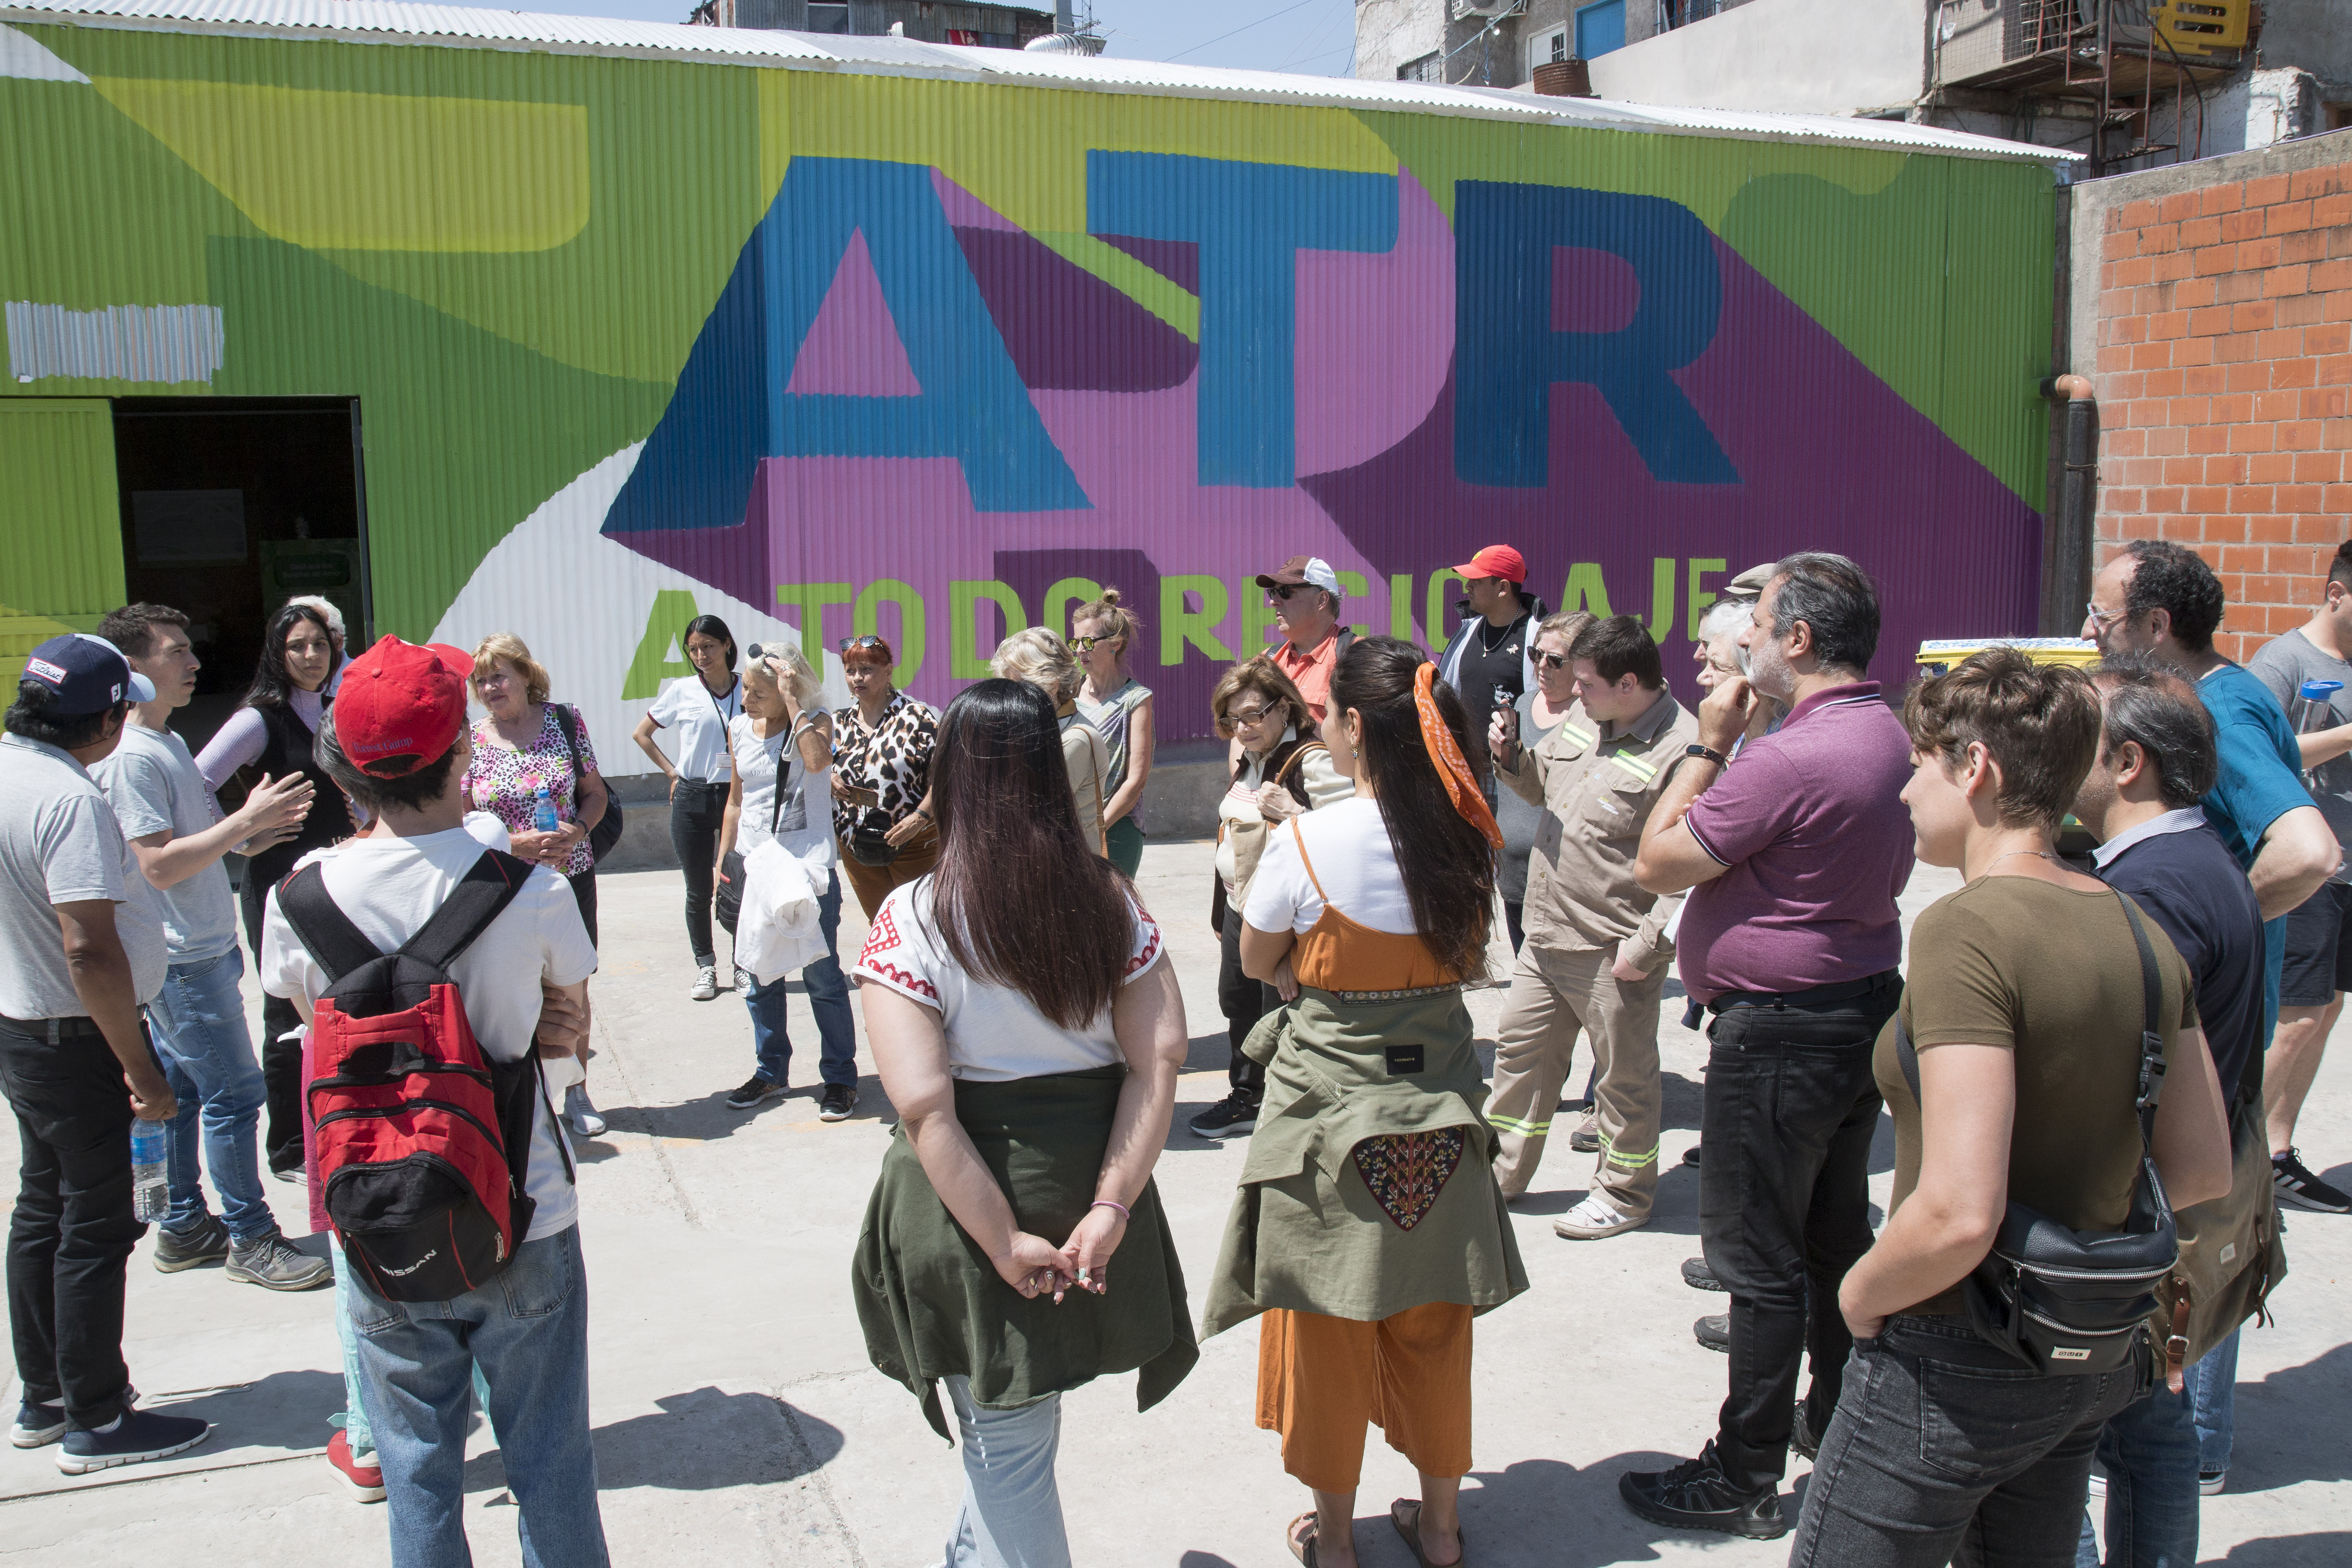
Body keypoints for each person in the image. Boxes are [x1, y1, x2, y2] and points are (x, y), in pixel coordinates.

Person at [1787, 648, 2235, 1568]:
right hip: (2080, 1359)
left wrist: (1858, 1299)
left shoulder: (1967, 929)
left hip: (1950, 1354)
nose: (1906, 790)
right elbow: (2201, 1171)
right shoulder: (2139, 928)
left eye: (1920, 764)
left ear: (1975, 768)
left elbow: (1956, 1212)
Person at [261, 636, 607, 1568]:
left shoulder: (295, 900)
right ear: (462, 750)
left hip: (376, 1216)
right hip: (521, 1208)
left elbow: (319, 1025)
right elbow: (567, 1024)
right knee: (552, 1465)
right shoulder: (528, 887)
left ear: (343, 767)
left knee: (416, 1470)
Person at [849, 678, 1194, 1568]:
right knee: (1008, 1444)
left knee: (1006, 1452)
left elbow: (922, 1105)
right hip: (1087, 1181)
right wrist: (1113, 1207)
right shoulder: (1111, 899)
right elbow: (1160, 1059)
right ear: (1053, 770)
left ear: (951, 777)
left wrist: (1004, 1242)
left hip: (964, 1204)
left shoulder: (912, 916)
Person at [1207, 635, 1529, 1568]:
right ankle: (1438, 1528)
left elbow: (1259, 962)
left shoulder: (1309, 839)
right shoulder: (1466, 835)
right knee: (1435, 1318)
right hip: (1441, 1111)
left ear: (1352, 727)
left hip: (1328, 1117)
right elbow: (1470, 957)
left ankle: (1337, 1542)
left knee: (1328, 1324)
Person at [1624, 553, 1915, 1538]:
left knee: (1757, 1259)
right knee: (1831, 1233)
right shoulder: (1880, 731)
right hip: (1852, 1011)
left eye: (1754, 626)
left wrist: (1706, 748)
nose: (1739, 643)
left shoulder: (1785, 756)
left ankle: (1742, 1473)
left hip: (1782, 1033)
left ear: (1795, 640)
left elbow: (1657, 859)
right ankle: (1832, 1423)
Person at [2083, 540, 2342, 1491]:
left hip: (2213, 1019)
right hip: (2219, 1004)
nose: (2091, 630)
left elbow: (2308, 849)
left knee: (2199, 1213)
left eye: (2104, 616)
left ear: (2157, 626)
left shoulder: (2221, 705)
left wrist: (2211, 915)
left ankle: (2190, 1445)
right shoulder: (2225, 692)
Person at [2068, 658, 2268, 1563]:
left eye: (2078, 739)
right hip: (2170, 1209)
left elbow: (2117, 1081)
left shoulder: (2156, 892)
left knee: (2065, 1446)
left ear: (2128, 764)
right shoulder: (2195, 859)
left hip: (2134, 1218)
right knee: (2151, 1432)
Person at [1, 635, 213, 1473]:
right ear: (110, 716)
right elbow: (89, 950)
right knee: (97, 1224)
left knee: (42, 1209)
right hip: (79, 1036)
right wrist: (140, 1069)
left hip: (24, 1028)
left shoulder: (11, 771)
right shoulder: (70, 800)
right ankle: (97, 1419)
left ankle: (45, 1396)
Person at [91, 604, 328, 1290]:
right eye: (176, 652)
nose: (195, 662)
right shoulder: (136, 758)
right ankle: (252, 1239)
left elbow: (197, 849)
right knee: (235, 1094)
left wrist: (257, 831)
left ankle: (185, 1224)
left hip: (200, 947)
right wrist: (247, 823)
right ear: (131, 669)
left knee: (189, 1094)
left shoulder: (163, 744)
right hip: (180, 959)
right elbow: (158, 865)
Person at [1484, 614, 1698, 1240]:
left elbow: (1693, 870)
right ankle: (1501, 1175)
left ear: (1628, 683)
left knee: (1623, 1083)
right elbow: (1542, 785)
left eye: (1584, 683)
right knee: (1518, 1059)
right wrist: (1509, 756)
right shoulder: (1587, 717)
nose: (1569, 693)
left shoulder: (1683, 750)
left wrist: (1647, 946)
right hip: (1547, 937)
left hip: (1613, 949)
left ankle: (1624, 1194)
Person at [196, 598, 352, 1181]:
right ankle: (288, 1147)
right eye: (298, 647)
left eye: (320, 644)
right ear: (277, 654)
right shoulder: (258, 718)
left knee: (341, 1001)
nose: (311, 656)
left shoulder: (338, 708)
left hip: (337, 881)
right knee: (285, 1011)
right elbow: (195, 781)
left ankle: (337, 1127)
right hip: (278, 886)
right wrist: (241, 838)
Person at [1189, 657, 1351, 1141]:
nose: (1242, 727)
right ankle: (1246, 1096)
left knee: (1279, 1012)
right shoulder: (1248, 758)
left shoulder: (1311, 759)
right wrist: (1222, 911)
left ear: (1285, 708)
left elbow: (1355, 833)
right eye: (1233, 719)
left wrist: (1297, 813)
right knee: (1237, 1002)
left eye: (1254, 715)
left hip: (1287, 920)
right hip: (1243, 910)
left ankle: (1284, 1102)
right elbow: (1232, 838)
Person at [463, 632, 612, 1138]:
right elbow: (460, 821)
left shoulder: (565, 722)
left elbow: (595, 794)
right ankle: (520, 1092)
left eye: (499, 675)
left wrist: (579, 829)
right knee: (509, 986)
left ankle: (576, 1089)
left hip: (569, 879)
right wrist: (515, 844)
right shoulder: (471, 738)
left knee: (571, 986)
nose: (489, 687)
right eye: (481, 680)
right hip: (501, 881)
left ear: (527, 675)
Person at [2245, 539, 2352, 1213]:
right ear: (2337, 593)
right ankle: (2238, 1155)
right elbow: (2255, 748)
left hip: (2348, 869)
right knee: (2295, 1015)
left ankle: (2276, 1153)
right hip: (2306, 862)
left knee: (2326, 1009)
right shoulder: (2284, 660)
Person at [716, 647, 857, 1121]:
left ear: (786, 690)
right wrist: (723, 861)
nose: (747, 700)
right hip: (755, 867)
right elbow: (737, 800)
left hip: (806, 869)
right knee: (759, 977)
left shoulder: (816, 721)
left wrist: (794, 703)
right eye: (747, 692)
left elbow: (818, 764)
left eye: (758, 692)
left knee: (822, 978)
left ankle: (840, 1077)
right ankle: (771, 1070)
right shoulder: (738, 729)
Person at [631, 613, 744, 1002]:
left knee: (740, 885)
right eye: (693, 649)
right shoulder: (682, 691)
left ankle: (743, 964)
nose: (701, 655)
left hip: (737, 797)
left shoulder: (750, 689)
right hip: (693, 797)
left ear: (727, 645)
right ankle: (706, 966)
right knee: (699, 889)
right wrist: (672, 773)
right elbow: (641, 734)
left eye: (708, 647)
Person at [1496, 611, 1592, 954]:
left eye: (1555, 660)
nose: (1541, 666)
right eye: (1536, 654)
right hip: (1513, 874)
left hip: (1561, 881)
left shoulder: (1592, 716)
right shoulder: (1523, 703)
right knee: (1526, 975)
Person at [831, 634, 941, 921]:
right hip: (856, 848)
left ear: (889, 671)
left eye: (867, 670)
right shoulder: (836, 723)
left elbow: (945, 778)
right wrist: (827, 778)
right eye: (851, 671)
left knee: (922, 924)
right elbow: (814, 767)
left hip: (911, 843)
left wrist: (919, 818)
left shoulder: (918, 719)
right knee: (881, 926)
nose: (858, 678)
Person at [991, 627, 1111, 857]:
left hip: (1069, 874)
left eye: (1018, 688)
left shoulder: (1075, 738)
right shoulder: (1041, 727)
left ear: (1051, 687)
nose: (1008, 699)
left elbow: (1026, 808)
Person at [1435, 544, 1548, 783]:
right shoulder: (1467, 631)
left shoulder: (1538, 637)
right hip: (1465, 768)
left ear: (1503, 588)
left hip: (1513, 771)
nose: (1468, 587)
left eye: (1477, 581)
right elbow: (1449, 694)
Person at [1073, 588, 1155, 879]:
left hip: (1117, 829)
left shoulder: (1136, 699)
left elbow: (1135, 782)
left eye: (1087, 642)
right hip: (1070, 829)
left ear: (1115, 644)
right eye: (1075, 642)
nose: (1080, 650)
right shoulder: (1067, 694)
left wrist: (1096, 830)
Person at [1256, 555, 1353, 724]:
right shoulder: (1265, 661)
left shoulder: (1357, 657)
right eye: (1273, 592)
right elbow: (1243, 727)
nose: (1274, 602)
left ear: (1321, 600)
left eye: (1287, 592)